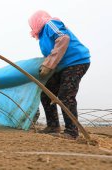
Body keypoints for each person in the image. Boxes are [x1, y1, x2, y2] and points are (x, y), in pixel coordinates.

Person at [28, 10, 90, 139]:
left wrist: (48, 65)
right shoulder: (42, 37)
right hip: (62, 67)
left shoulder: (50, 23)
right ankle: (53, 126)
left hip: (76, 62)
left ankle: (72, 132)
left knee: (65, 95)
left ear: (37, 20)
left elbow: (63, 39)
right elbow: (50, 53)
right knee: (46, 93)